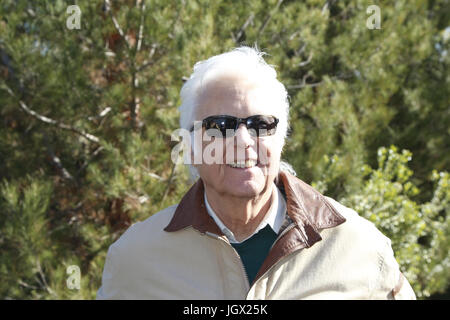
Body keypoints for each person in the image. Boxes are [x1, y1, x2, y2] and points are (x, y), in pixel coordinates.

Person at [96, 46, 416, 299]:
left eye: (261, 125)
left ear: (282, 139)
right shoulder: (135, 259)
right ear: (190, 146)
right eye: (220, 126)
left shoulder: (360, 247)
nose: (243, 142)